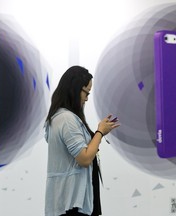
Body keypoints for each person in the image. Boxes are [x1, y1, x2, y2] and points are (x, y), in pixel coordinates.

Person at [44, 65, 120, 216]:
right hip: (71, 204)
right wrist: (99, 132)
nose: (86, 98)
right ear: (75, 89)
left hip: (73, 201)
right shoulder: (66, 119)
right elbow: (84, 158)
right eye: (86, 92)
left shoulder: (62, 117)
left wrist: (100, 133)